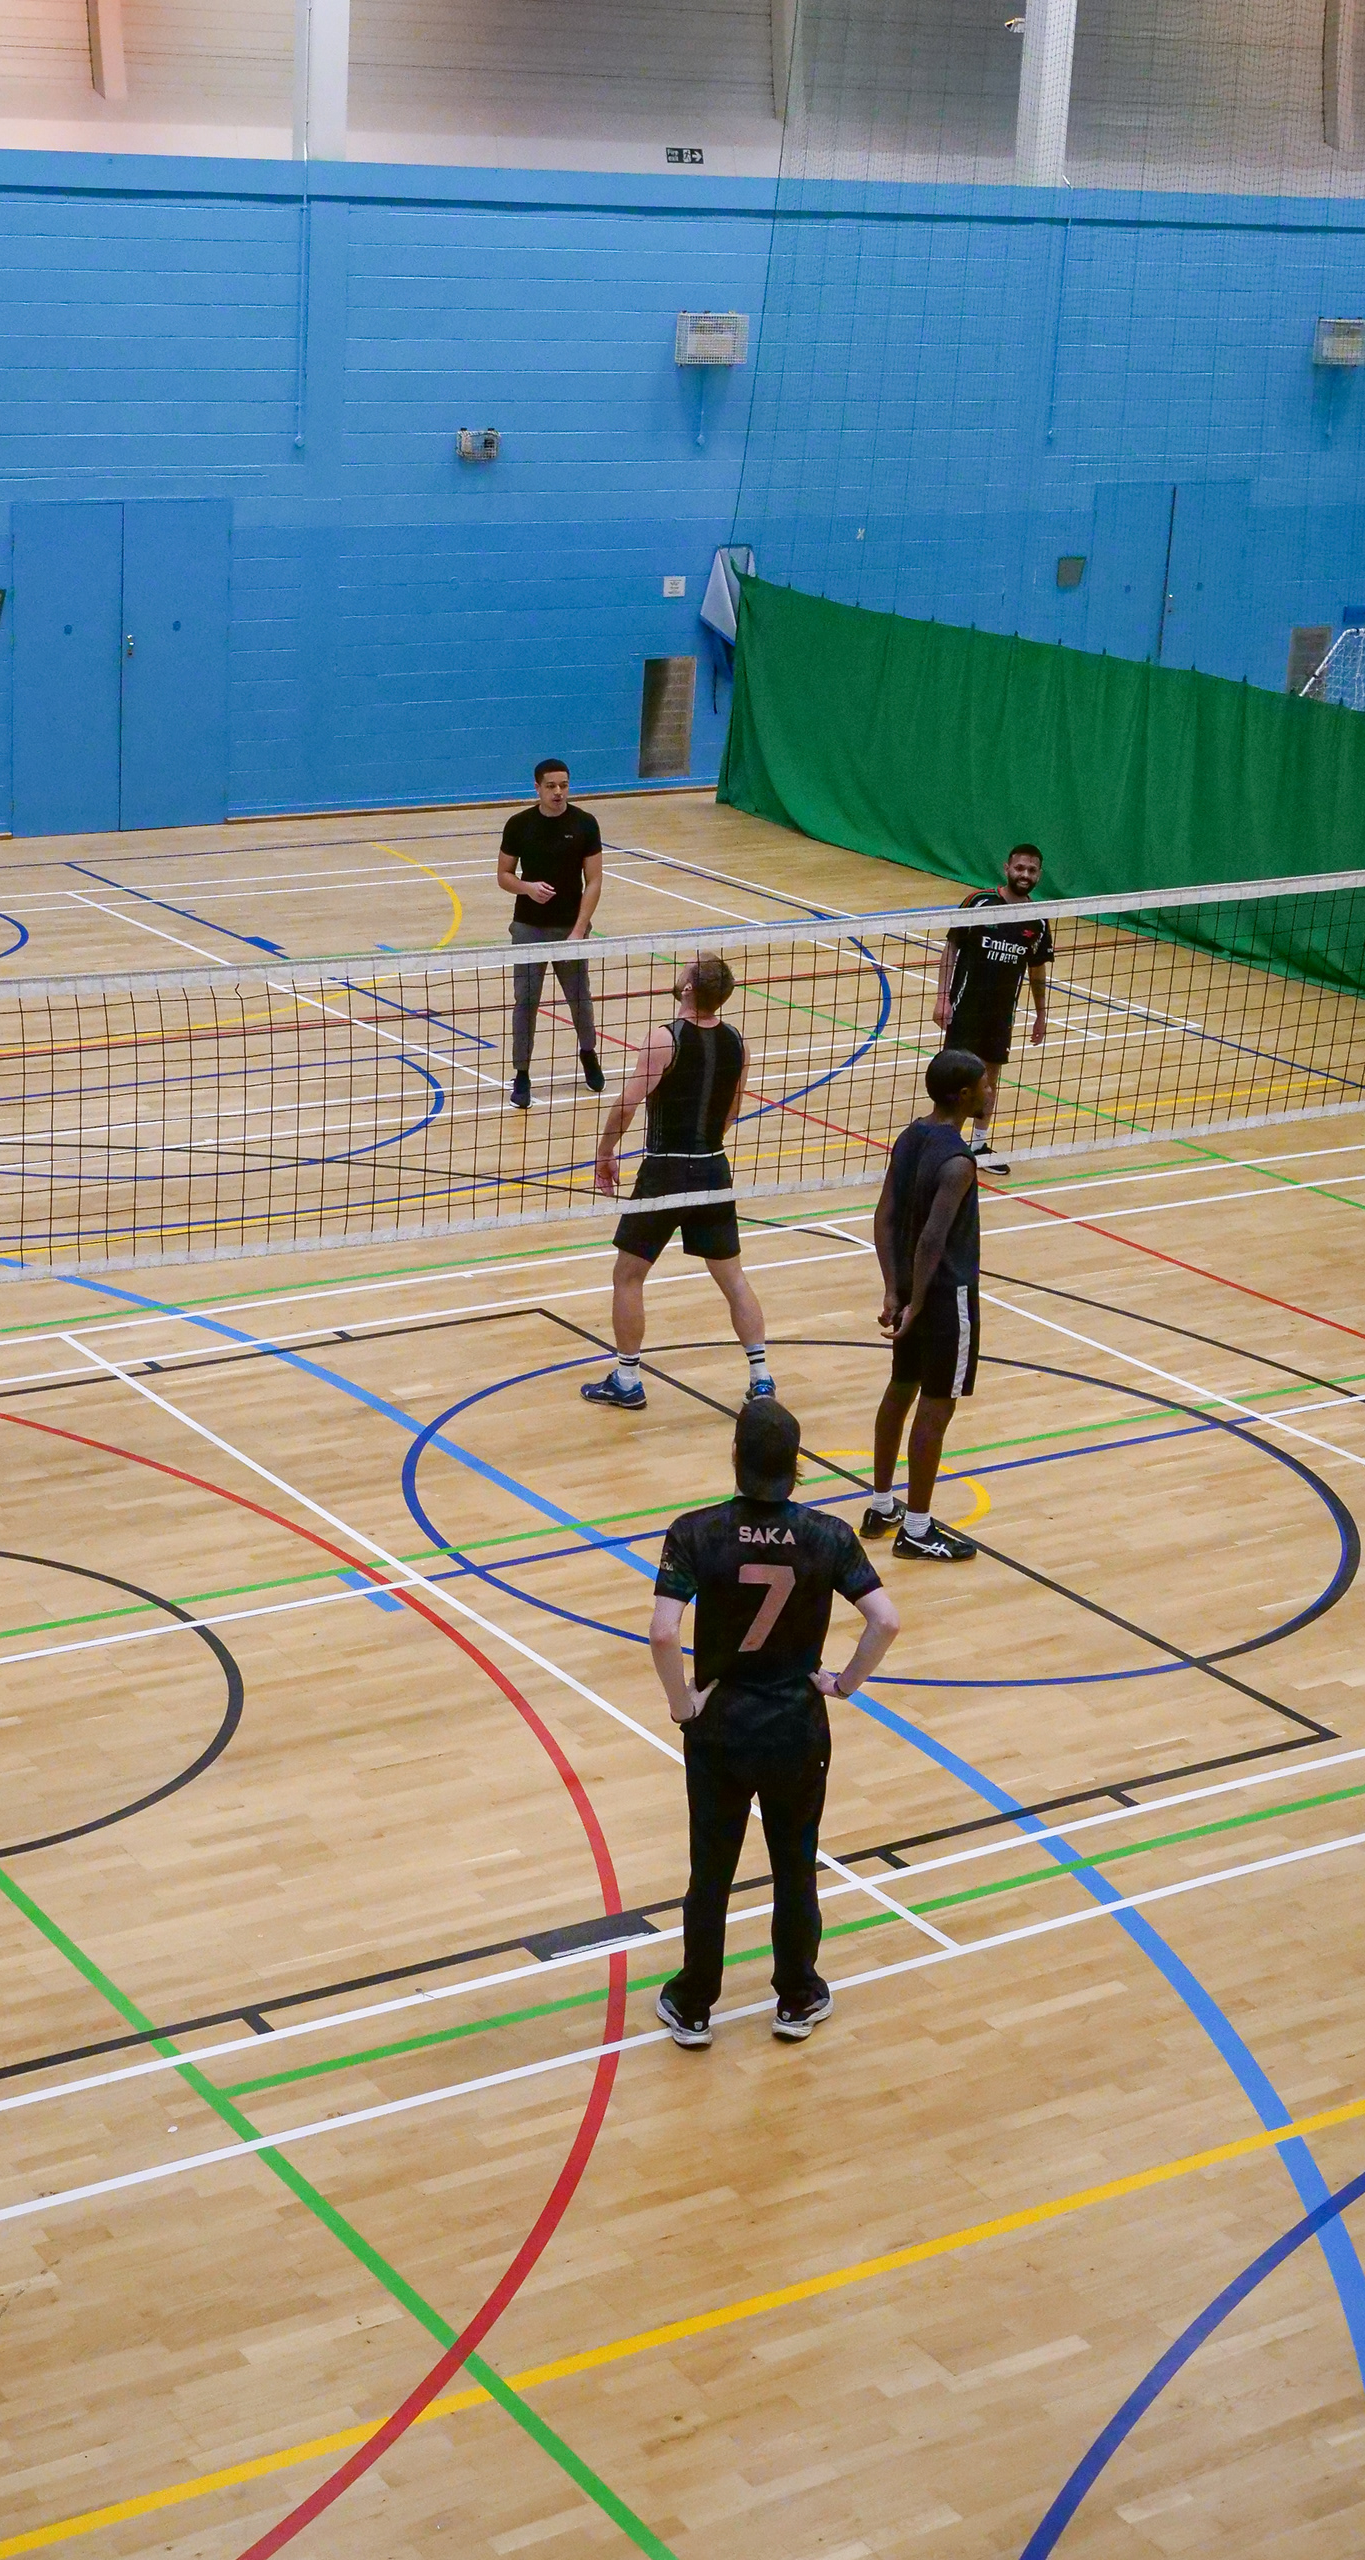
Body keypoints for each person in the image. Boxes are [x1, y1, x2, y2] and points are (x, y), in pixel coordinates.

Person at [651, 1399, 900, 2049]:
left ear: (735, 1457)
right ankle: (797, 1995)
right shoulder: (828, 1536)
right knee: (794, 1865)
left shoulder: (695, 1532)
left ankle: (694, 2003)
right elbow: (885, 1620)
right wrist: (843, 1683)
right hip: (796, 1728)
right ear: (797, 1465)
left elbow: (663, 1632)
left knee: (711, 1871)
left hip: (721, 1728)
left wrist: (681, 1704)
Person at [583, 950, 775, 1411]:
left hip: (665, 1171)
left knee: (628, 1275)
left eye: (685, 969)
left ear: (688, 988)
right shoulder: (738, 1042)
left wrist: (605, 1152)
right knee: (733, 1278)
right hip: (713, 1167)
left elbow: (628, 1104)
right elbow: (731, 1110)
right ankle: (761, 1377)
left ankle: (627, 1379)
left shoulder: (664, 1039)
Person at [862, 1048, 990, 1561]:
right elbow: (934, 1238)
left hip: (912, 1289)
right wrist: (915, 1302)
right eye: (985, 1084)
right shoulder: (958, 1162)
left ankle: (881, 1505)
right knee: (936, 1406)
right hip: (944, 1295)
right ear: (964, 1094)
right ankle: (916, 1529)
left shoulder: (910, 1136)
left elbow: (884, 1216)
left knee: (900, 1388)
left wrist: (894, 1289)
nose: (991, 1091)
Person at [930, 842, 1053, 1174]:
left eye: (1031, 870)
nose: (1025, 874)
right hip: (966, 1007)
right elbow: (951, 947)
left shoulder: (1038, 920)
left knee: (989, 1079)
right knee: (955, 1077)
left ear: (1039, 875)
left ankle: (979, 1145)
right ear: (1006, 868)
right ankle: (945, 1141)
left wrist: (1041, 1014)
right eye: (1019, 868)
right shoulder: (980, 902)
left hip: (1001, 1014)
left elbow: (1037, 971)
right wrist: (942, 997)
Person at [497, 756, 604, 1109]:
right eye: (551, 786)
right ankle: (522, 1074)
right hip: (528, 929)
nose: (558, 792)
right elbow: (504, 875)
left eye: (564, 785)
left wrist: (578, 931)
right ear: (537, 788)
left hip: (569, 928)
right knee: (526, 1001)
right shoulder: (519, 825)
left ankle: (588, 1053)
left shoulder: (585, 824)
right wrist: (527, 888)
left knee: (580, 998)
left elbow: (594, 881)